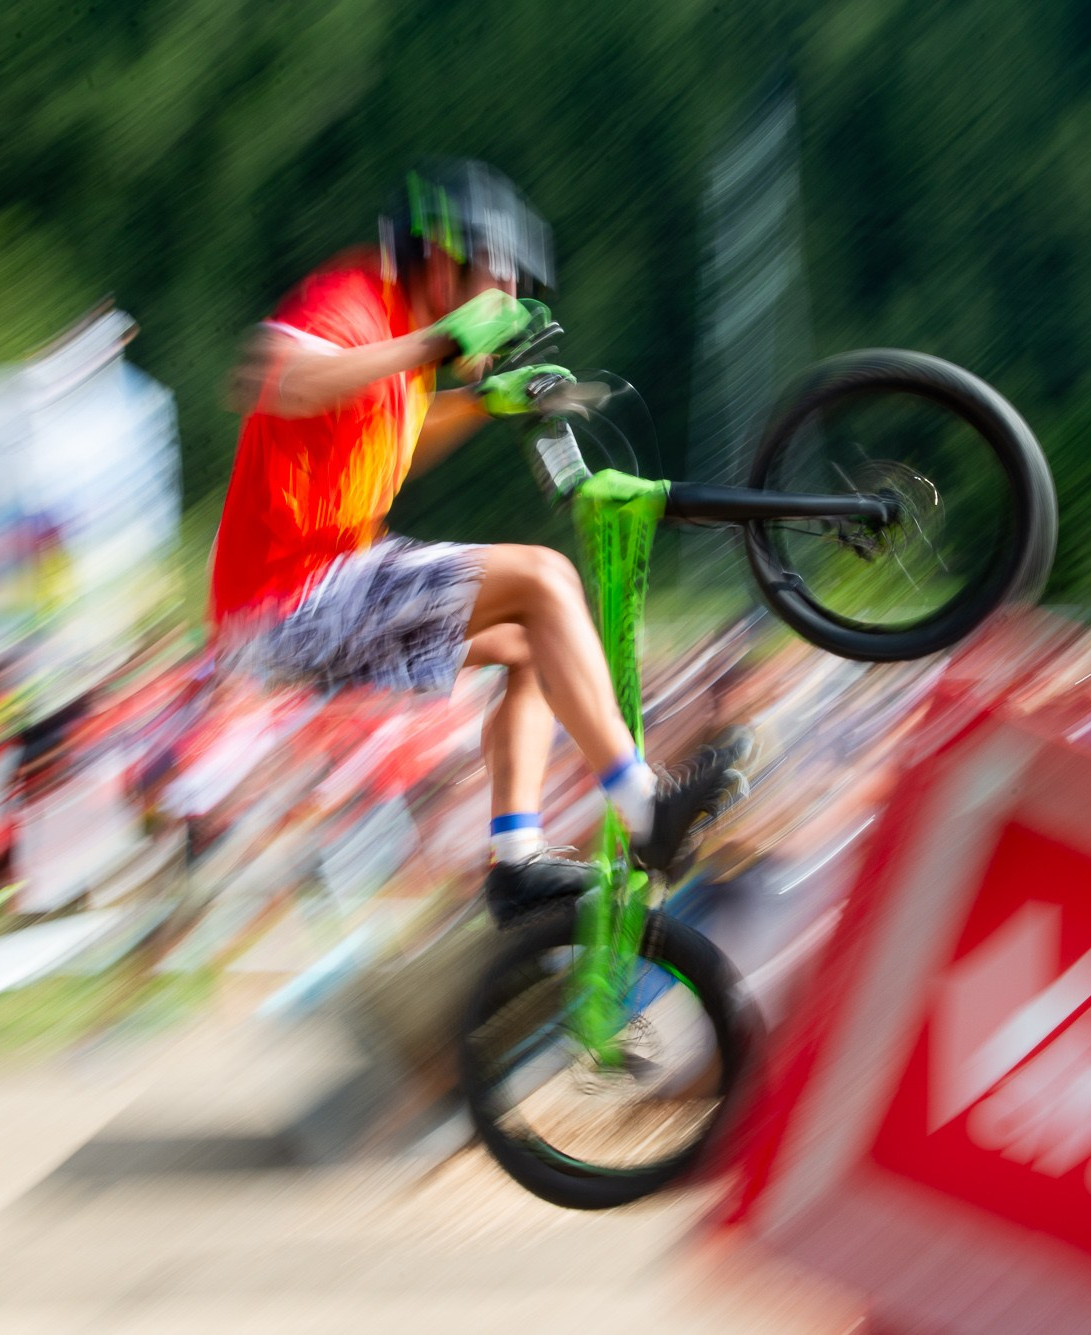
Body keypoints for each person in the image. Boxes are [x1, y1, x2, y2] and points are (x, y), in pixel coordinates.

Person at [208, 159, 749, 925]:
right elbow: (281, 384)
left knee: (536, 642)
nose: (510, 305)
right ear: (444, 254)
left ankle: (516, 864)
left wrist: (478, 403)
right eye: (501, 283)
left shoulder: (406, 341)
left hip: (317, 590)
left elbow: (389, 433)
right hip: (290, 597)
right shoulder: (357, 298)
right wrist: (434, 344)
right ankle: (645, 812)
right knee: (546, 578)